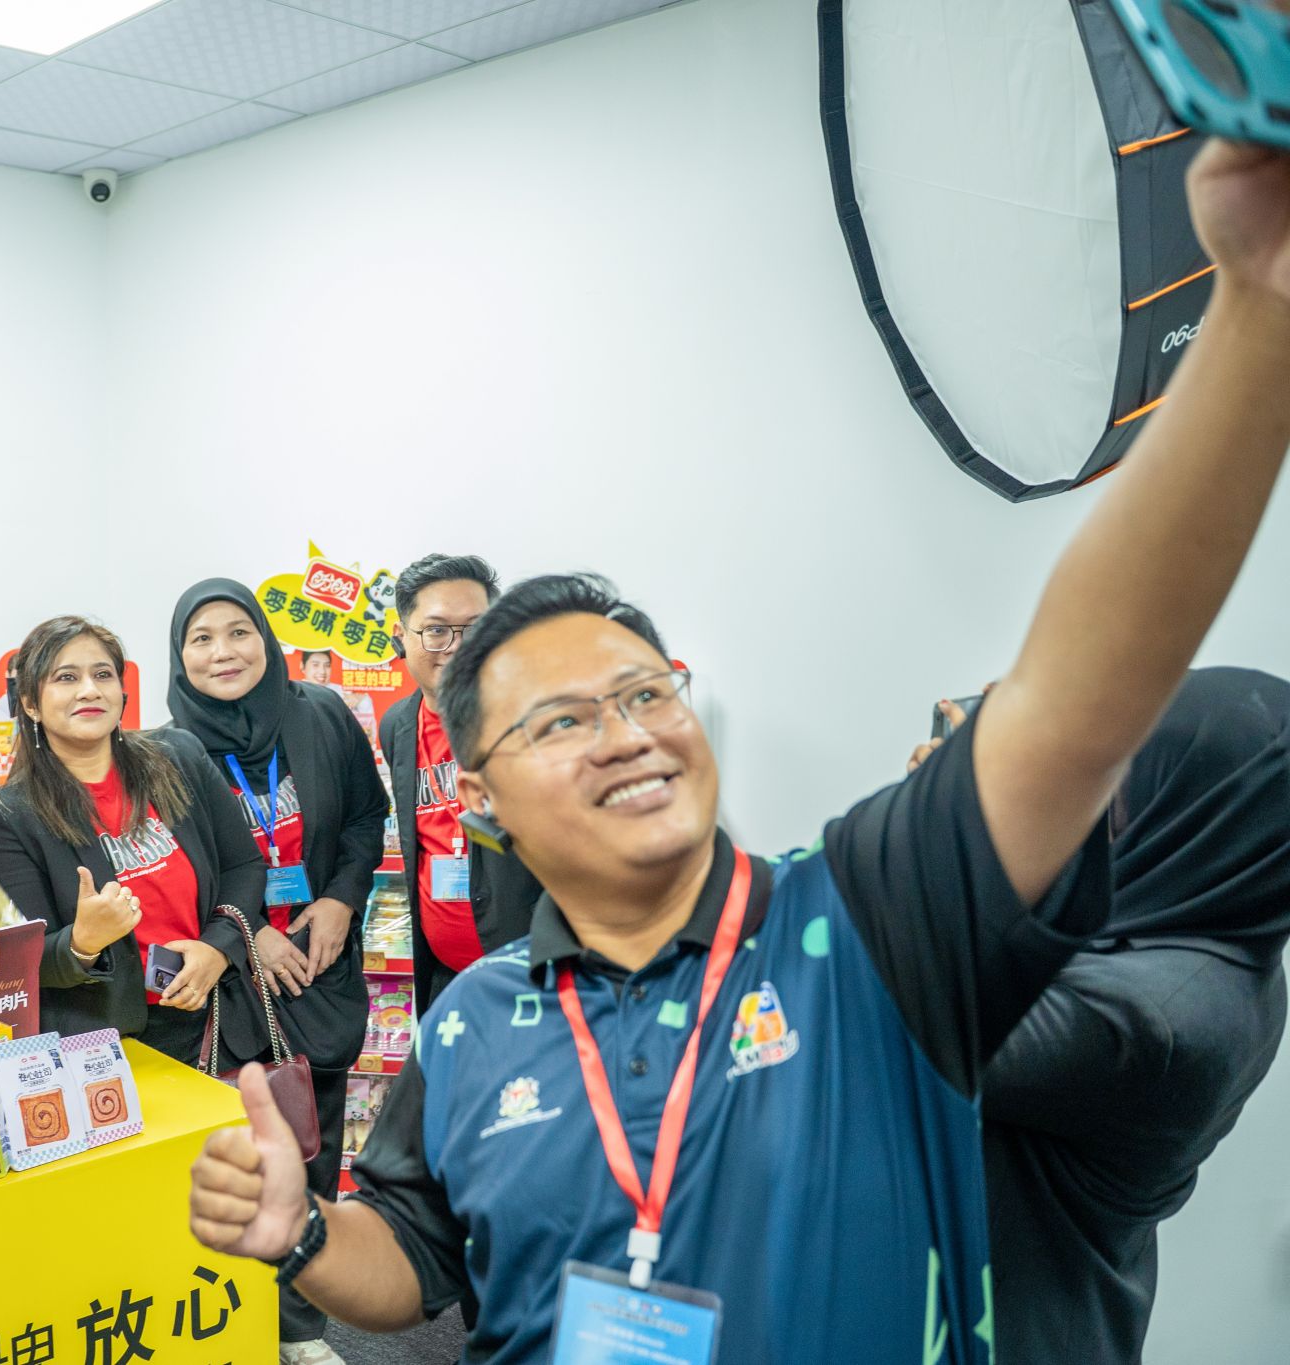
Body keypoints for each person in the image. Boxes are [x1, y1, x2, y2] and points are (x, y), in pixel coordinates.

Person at [186, 137, 1290, 1363]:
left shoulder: (866, 933)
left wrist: (1256, 304)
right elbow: (413, 1251)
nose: (625, 734)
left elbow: (1079, 693)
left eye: (643, 692)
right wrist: (303, 1236)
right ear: (480, 791)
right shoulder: (470, 1026)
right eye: (561, 719)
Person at [911, 672, 1290, 1363]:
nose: (1095, 787)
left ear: (1192, 813)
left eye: (1127, 772)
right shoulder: (1223, 931)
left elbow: (907, 1014)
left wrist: (944, 830)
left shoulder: (1150, 1017)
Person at [169, 580, 390, 1365]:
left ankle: (299, 1324)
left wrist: (341, 899)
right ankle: (222, 1321)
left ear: (266, 639)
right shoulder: (167, 752)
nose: (223, 652)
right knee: (231, 1154)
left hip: (320, 962)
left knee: (311, 1142)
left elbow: (366, 816)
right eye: (202, 638)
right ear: (179, 655)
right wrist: (248, 932)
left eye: (239, 632)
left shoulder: (321, 713)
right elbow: (175, 870)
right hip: (234, 983)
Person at [0, 615, 269, 1064]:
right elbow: (22, 962)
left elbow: (243, 866)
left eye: (102, 675)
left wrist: (217, 949)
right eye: (66, 678)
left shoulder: (179, 757)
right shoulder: (11, 814)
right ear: (31, 703)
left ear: (121, 690)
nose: (89, 690)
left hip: (215, 1018)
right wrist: (82, 942)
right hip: (105, 1047)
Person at [378, 553, 539, 1009]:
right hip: (445, 981)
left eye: (475, 628)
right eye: (436, 630)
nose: (456, 646)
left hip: (531, 975)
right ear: (401, 637)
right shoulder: (397, 725)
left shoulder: (534, 718)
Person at [300, 648, 377, 743]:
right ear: (302, 666)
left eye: (327, 665)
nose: (322, 671)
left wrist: (362, 699)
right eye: (315, 665)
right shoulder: (295, 693)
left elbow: (368, 733)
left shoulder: (341, 692)